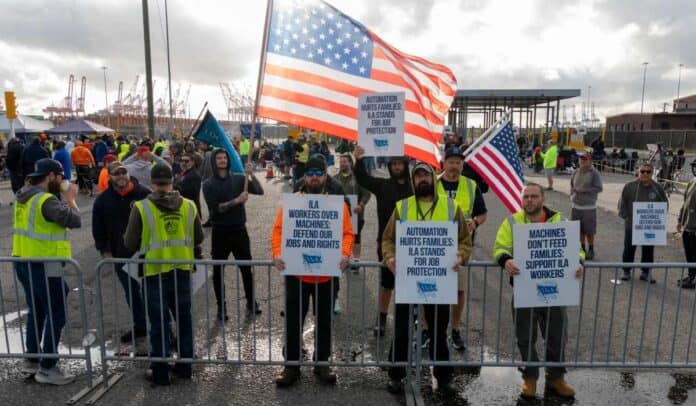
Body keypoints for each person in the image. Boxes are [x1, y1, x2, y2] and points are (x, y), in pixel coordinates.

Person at [381, 162, 472, 395]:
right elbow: (388, 239)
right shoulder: (402, 207)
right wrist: (389, 257)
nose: (422, 179)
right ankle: (396, 375)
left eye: (426, 175)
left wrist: (461, 255)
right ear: (414, 180)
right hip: (407, 279)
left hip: (439, 282)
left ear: (433, 178)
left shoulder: (452, 208)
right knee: (401, 329)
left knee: (438, 332)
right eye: (418, 176)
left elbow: (464, 239)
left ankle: (443, 378)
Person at [493, 183, 584, 399]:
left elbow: (577, 248)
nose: (530, 201)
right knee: (525, 336)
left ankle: (556, 379)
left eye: (534, 196)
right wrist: (505, 260)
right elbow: (500, 247)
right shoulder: (512, 221)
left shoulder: (560, 221)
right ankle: (530, 378)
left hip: (556, 291)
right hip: (525, 290)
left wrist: (579, 262)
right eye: (526, 197)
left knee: (557, 336)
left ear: (543, 199)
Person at [271, 156, 354, 387]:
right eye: (310, 173)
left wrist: (346, 253)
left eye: (319, 172)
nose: (314, 177)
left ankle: (322, 363)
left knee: (325, 321)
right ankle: (291, 365)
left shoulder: (337, 203)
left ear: (326, 175)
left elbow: (348, 233)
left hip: (326, 275)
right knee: (294, 321)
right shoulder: (291, 202)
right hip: (297, 274)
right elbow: (278, 230)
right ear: (304, 177)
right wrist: (277, 253)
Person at [124, 164, 204, 385]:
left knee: (158, 322)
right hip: (182, 270)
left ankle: (160, 371)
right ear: (172, 182)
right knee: (184, 319)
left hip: (154, 272)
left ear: (152, 183)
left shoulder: (141, 207)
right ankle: (185, 366)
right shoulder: (189, 206)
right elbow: (198, 238)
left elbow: (129, 243)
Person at [12, 158, 81, 385]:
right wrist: (71, 199)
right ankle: (48, 367)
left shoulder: (24, 195)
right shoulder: (45, 200)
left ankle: (32, 359)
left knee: (38, 309)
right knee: (57, 310)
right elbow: (74, 220)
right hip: (44, 263)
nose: (63, 181)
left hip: (24, 259)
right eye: (61, 177)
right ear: (51, 176)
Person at [353, 145, 412, 336]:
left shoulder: (415, 187)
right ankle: (381, 317)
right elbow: (363, 179)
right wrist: (359, 160)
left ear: (405, 165)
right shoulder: (383, 186)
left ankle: (415, 319)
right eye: (393, 164)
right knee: (387, 284)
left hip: (413, 243)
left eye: (399, 164)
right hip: (387, 243)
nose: (396, 167)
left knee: (411, 284)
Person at [92, 161, 151, 343]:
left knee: (153, 292)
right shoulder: (103, 200)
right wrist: (104, 249)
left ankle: (163, 329)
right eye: (116, 174)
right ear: (109, 176)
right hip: (120, 254)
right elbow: (98, 227)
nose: (121, 177)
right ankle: (140, 326)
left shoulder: (144, 194)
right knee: (132, 293)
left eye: (123, 172)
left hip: (147, 253)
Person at [202, 149, 264, 320]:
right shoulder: (208, 184)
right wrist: (237, 201)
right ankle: (221, 308)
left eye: (224, 157)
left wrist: (251, 175)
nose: (222, 160)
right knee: (218, 271)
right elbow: (216, 209)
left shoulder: (238, 178)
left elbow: (259, 191)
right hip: (220, 232)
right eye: (219, 158)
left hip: (239, 230)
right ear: (214, 162)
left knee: (246, 269)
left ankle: (251, 302)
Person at [436, 146, 487, 351]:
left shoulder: (471, 185)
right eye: (451, 162)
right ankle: (427, 329)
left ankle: (455, 329)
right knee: (430, 289)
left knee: (458, 291)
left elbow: (482, 214)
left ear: (462, 165)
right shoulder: (434, 183)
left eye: (458, 162)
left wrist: (475, 222)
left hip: (461, 248)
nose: (454, 166)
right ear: (444, 163)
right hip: (436, 245)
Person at [618, 162, 668, 283]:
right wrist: (626, 217)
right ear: (638, 172)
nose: (645, 174)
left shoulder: (658, 188)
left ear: (652, 173)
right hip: (632, 225)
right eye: (642, 171)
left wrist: (659, 218)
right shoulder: (629, 186)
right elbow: (622, 204)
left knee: (648, 250)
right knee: (629, 249)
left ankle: (645, 273)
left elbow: (664, 205)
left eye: (648, 172)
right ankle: (626, 271)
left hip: (649, 227)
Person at [333, 153, 370, 312]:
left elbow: (366, 193)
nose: (342, 163)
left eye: (345, 161)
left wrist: (361, 205)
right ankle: (343, 258)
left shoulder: (358, 178)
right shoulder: (334, 178)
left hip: (356, 214)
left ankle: (355, 260)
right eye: (340, 161)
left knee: (356, 237)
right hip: (340, 216)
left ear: (350, 162)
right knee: (341, 238)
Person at [570, 154, 603, 260]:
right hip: (576, 206)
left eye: (585, 159)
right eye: (581, 159)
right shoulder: (576, 171)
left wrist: (584, 190)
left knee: (589, 231)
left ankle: (591, 249)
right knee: (579, 230)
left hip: (588, 207)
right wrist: (573, 193)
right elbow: (571, 184)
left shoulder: (594, 173)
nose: (582, 161)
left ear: (590, 161)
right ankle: (582, 249)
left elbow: (599, 188)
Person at [677, 159, 696, 289]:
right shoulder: (692, 181)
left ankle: (692, 279)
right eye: (694, 167)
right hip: (688, 225)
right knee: (689, 254)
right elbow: (685, 204)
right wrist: (680, 221)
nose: (695, 169)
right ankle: (691, 275)